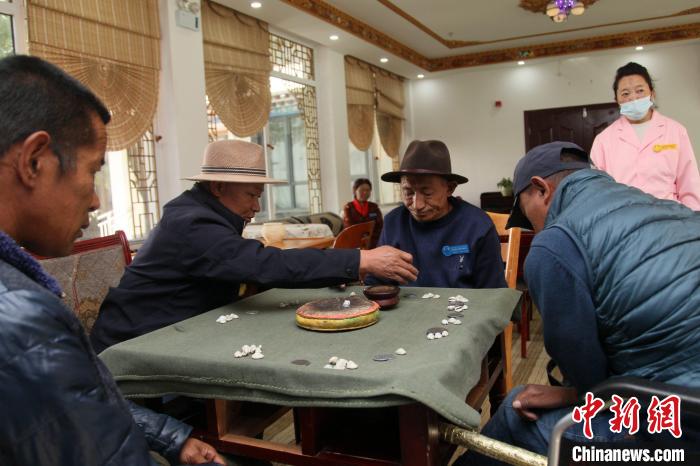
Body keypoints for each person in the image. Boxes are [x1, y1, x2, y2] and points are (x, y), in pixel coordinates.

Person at [0, 55, 224, 465]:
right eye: (92, 171)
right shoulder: (19, 314)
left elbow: (74, 402)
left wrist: (171, 438)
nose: (95, 199)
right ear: (34, 161)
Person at [456, 141, 700, 465]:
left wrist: (571, 392)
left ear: (541, 189)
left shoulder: (554, 244)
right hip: (678, 394)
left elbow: (589, 380)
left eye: (526, 215)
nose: (532, 228)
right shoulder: (660, 206)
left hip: (677, 426)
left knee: (516, 410)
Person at [90, 140, 417, 353]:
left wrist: (332, 272)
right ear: (218, 187)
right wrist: (360, 259)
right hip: (135, 348)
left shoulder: (201, 212)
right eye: (251, 195)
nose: (256, 207)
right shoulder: (192, 223)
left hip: (177, 334)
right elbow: (264, 264)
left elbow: (250, 265)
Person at [364, 139, 506, 289]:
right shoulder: (393, 222)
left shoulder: (477, 226)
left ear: (450, 188)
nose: (417, 205)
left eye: (427, 193)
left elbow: (494, 292)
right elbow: (375, 284)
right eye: (408, 192)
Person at [590, 61, 700, 209]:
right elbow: (597, 191)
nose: (633, 98)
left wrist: (692, 219)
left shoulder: (676, 131)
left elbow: (690, 185)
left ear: (652, 94)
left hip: (670, 217)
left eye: (640, 90)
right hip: (623, 218)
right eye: (625, 93)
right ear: (617, 100)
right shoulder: (603, 140)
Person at [342, 178, 383, 248]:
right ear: (354, 191)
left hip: (373, 243)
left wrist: (370, 238)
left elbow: (380, 226)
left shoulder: (374, 207)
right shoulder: (348, 208)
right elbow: (349, 229)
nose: (365, 192)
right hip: (355, 244)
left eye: (368, 190)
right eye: (361, 190)